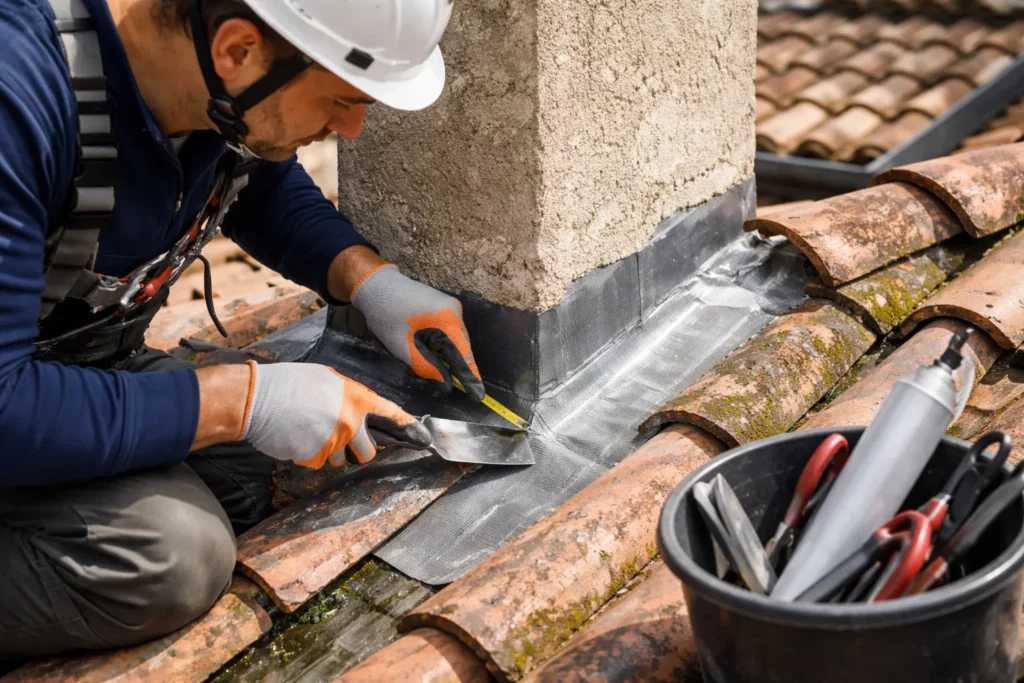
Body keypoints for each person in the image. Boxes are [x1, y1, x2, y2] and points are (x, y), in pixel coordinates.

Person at [0, 0, 483, 657]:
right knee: (175, 555)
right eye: (342, 99)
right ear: (238, 50)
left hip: (67, 372)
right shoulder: (19, 99)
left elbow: (256, 177)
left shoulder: (206, 81)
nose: (354, 127)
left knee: (323, 454)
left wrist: (369, 281)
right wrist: (239, 402)